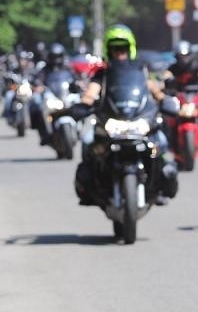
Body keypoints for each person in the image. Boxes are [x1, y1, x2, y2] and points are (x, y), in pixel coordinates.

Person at [76, 24, 179, 206]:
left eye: (122, 48)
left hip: (137, 119)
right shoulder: (103, 73)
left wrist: (164, 99)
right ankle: (91, 190)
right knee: (87, 141)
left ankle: (159, 186)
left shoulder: (140, 70)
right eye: (115, 48)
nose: (119, 53)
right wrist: (85, 103)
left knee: (161, 142)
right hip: (112, 121)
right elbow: (92, 91)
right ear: (109, 50)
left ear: (130, 48)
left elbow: (153, 89)